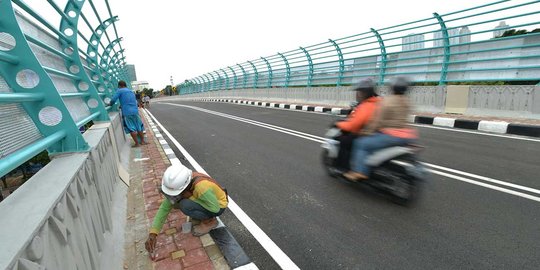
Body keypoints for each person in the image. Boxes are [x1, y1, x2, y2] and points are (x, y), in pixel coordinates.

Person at [344, 77, 418, 181]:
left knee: (361, 144)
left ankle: (360, 171)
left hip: (390, 136)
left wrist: (366, 133)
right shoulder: (407, 102)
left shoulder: (387, 101)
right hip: (407, 136)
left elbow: (377, 121)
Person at [145, 164, 228, 254]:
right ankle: (200, 213)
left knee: (185, 205)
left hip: (218, 205)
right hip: (206, 199)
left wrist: (190, 197)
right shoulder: (183, 182)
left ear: (185, 187)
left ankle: (210, 221)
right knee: (176, 202)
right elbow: (164, 208)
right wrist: (153, 233)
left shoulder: (201, 187)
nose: (173, 195)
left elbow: (215, 209)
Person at [334, 78, 381, 171]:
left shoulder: (366, 105)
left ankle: (343, 168)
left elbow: (354, 125)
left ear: (364, 93)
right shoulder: (379, 102)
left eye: (359, 92)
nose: (357, 94)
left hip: (366, 133)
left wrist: (339, 124)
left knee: (344, 141)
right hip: (378, 132)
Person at [109, 81, 147, 147]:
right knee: (139, 127)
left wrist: (110, 104)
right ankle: (143, 141)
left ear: (119, 85)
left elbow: (113, 100)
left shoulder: (120, 91)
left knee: (131, 128)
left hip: (127, 112)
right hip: (135, 111)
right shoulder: (131, 91)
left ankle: (137, 143)